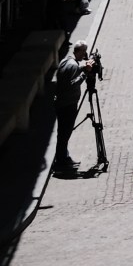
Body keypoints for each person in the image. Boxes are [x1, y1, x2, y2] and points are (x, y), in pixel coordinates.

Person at [51, 42, 91, 175]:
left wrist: (82, 67)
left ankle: (64, 157)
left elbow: (69, 75)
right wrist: (85, 72)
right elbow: (73, 83)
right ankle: (61, 160)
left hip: (61, 103)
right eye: (84, 52)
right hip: (68, 104)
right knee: (65, 132)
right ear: (79, 51)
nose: (85, 55)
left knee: (62, 132)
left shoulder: (66, 61)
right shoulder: (73, 65)